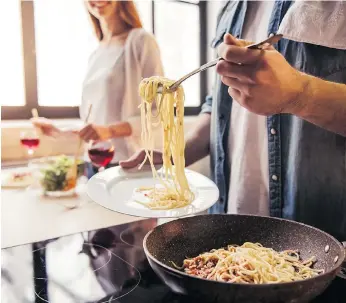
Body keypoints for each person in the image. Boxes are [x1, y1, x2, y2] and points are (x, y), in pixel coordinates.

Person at [120, 1, 346, 241]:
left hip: (320, 241)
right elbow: (217, 103)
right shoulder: (231, 7)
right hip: (229, 230)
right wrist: (176, 154)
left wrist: (301, 95)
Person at [32, 0, 163, 176]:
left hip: (129, 163)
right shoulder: (97, 52)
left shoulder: (141, 41)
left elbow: (159, 112)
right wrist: (59, 130)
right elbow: (96, 119)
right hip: (93, 163)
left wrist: (109, 131)